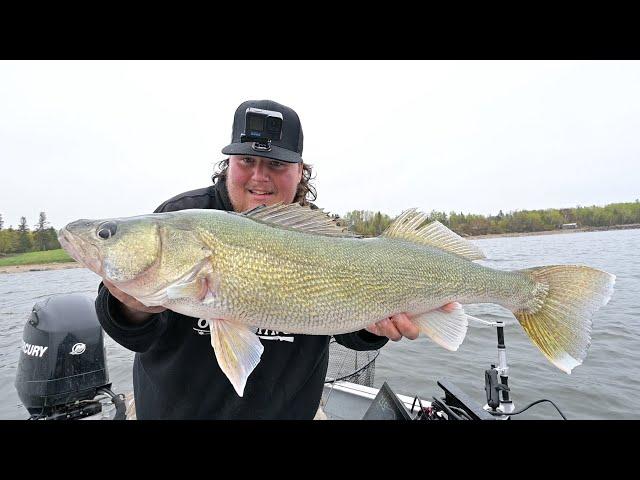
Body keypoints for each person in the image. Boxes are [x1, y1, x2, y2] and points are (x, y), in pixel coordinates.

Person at [94, 99, 420, 419]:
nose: (259, 176)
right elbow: (133, 334)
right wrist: (131, 308)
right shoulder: (178, 217)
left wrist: (376, 326)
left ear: (300, 171)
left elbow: (351, 333)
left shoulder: (322, 235)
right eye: (246, 161)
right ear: (229, 164)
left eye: (275, 164)